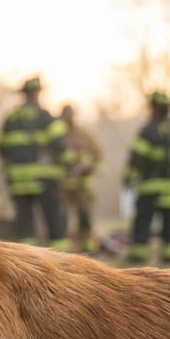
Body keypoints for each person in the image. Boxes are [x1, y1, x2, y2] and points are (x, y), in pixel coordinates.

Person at [125, 91, 170, 266]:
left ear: (153, 107)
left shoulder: (149, 129)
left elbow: (136, 159)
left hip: (152, 188)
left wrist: (127, 178)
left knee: (143, 221)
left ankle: (138, 255)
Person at [0, 77, 70, 250]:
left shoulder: (11, 119)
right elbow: (60, 146)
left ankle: (27, 258)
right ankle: (60, 257)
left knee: (24, 221)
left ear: (24, 94)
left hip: (18, 180)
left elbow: (2, 149)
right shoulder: (46, 118)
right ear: (37, 93)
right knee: (53, 218)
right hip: (44, 179)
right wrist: (69, 165)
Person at [58, 104, 104, 252]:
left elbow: (98, 155)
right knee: (61, 217)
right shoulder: (57, 135)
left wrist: (88, 168)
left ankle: (87, 247)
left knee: (85, 216)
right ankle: (65, 247)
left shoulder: (84, 134)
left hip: (82, 185)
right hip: (63, 185)